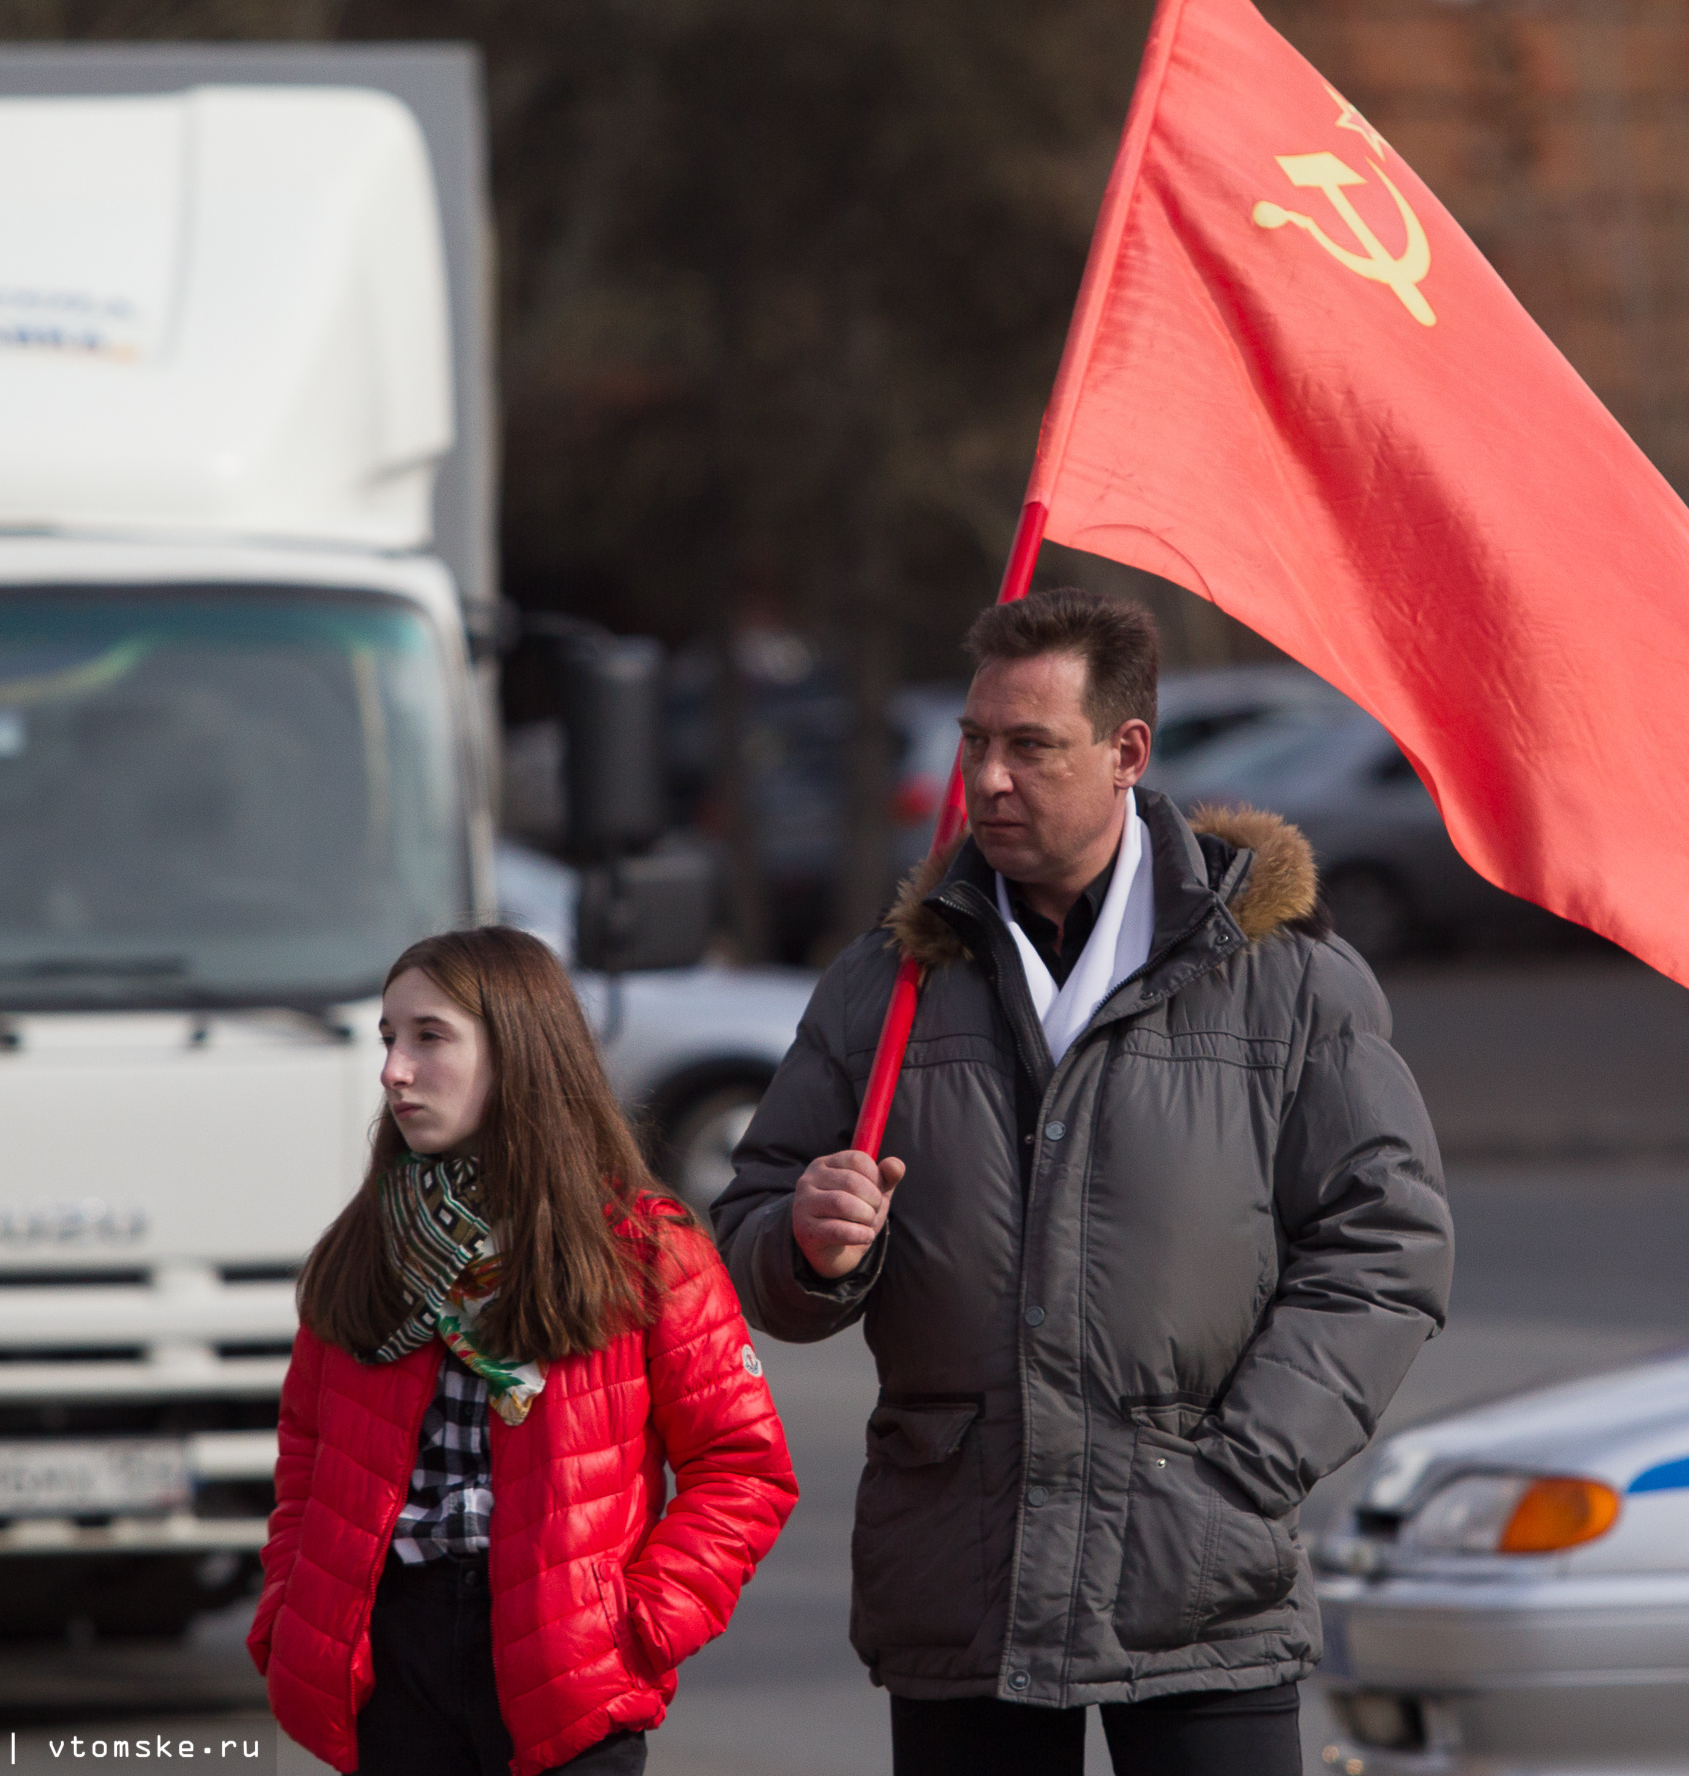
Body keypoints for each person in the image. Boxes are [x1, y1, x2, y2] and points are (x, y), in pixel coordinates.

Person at [712, 588, 1452, 1776]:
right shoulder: (885, 984)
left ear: (1126, 754)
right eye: (974, 742)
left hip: (1203, 1586)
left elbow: (1386, 1250)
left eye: (1029, 746)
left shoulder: (1285, 980)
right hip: (962, 1583)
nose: (987, 780)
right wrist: (806, 1246)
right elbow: (753, 1222)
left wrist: (1242, 1471)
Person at [252, 926, 797, 1776]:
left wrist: (641, 1626)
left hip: (565, 1660)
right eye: (389, 1039)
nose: (395, 1069)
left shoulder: (643, 1249)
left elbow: (743, 1469)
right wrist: (290, 1609)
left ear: (519, 1052)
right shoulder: (368, 1243)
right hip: (389, 1654)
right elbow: (306, 1455)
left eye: (430, 1037)